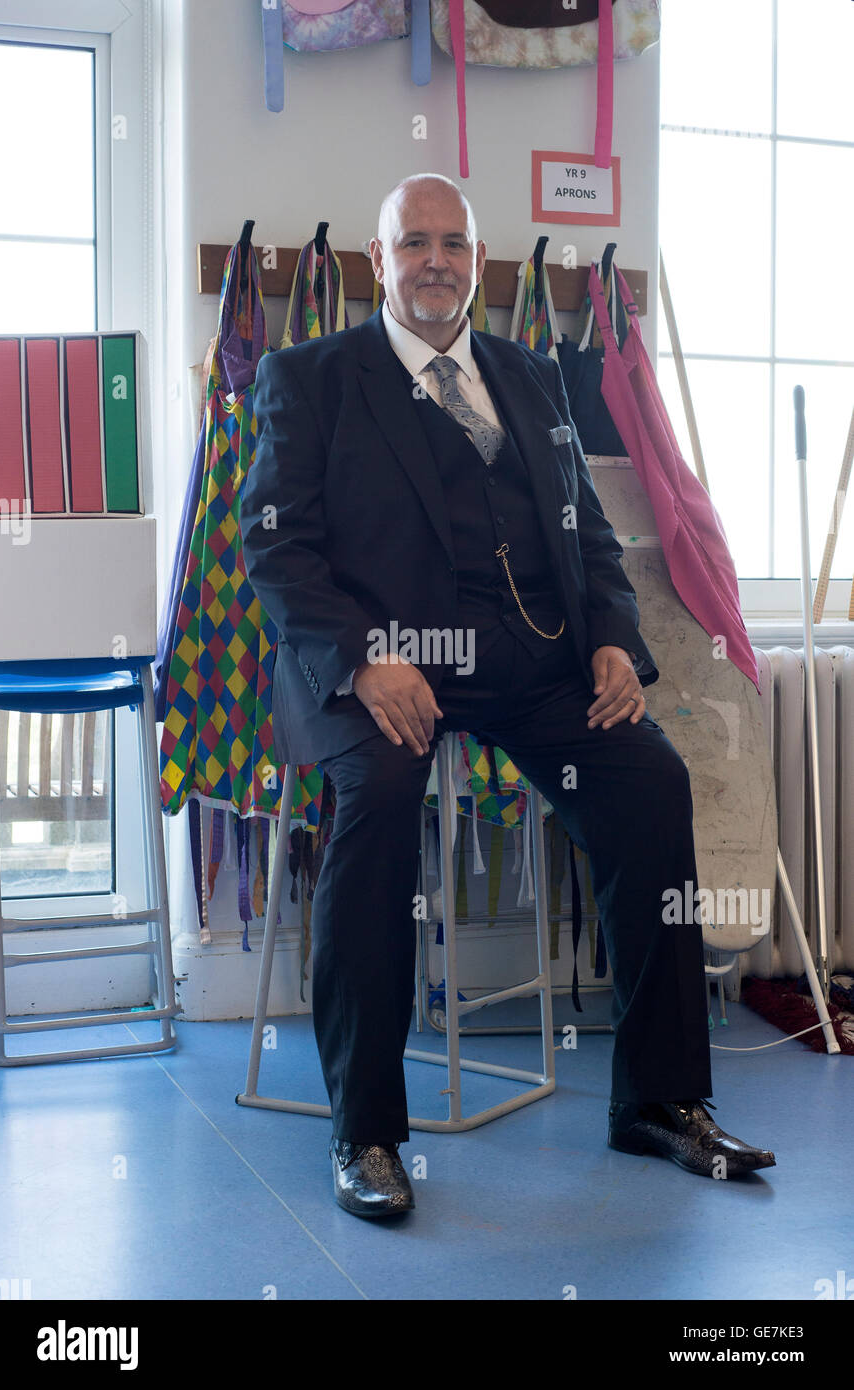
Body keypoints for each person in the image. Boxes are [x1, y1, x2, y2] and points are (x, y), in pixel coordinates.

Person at [240, 173, 775, 1219]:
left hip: (532, 670)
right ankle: (366, 1130)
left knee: (650, 783)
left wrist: (616, 643)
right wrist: (357, 661)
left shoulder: (529, 376)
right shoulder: (311, 378)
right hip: (383, 670)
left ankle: (659, 1099)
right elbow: (275, 547)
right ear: (377, 258)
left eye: (454, 244)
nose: (436, 260)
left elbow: (589, 536)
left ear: (478, 262)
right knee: (378, 804)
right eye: (414, 243)